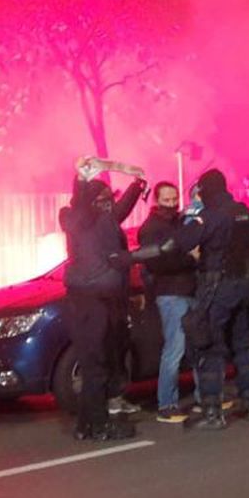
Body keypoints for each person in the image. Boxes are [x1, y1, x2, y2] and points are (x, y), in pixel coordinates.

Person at [164, 169, 249, 430]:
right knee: (242, 345)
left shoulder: (210, 216)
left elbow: (181, 242)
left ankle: (212, 412)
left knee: (210, 348)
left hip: (218, 288)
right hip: (244, 285)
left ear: (207, 190)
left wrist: (190, 219)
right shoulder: (245, 212)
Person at [60, 159, 146, 441]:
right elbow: (84, 208)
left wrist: (137, 185)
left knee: (94, 362)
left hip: (101, 299)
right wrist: (81, 181)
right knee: (94, 363)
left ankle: (86, 425)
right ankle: (99, 425)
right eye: (100, 199)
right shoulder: (75, 217)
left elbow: (120, 210)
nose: (106, 204)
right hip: (89, 301)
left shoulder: (103, 220)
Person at [138, 182, 197, 424]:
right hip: (171, 294)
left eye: (175, 198)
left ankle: (205, 395)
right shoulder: (152, 229)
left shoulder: (179, 222)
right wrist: (189, 259)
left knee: (196, 346)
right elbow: (157, 264)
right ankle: (167, 404)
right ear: (157, 200)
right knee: (174, 349)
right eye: (167, 199)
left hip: (188, 290)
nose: (173, 203)